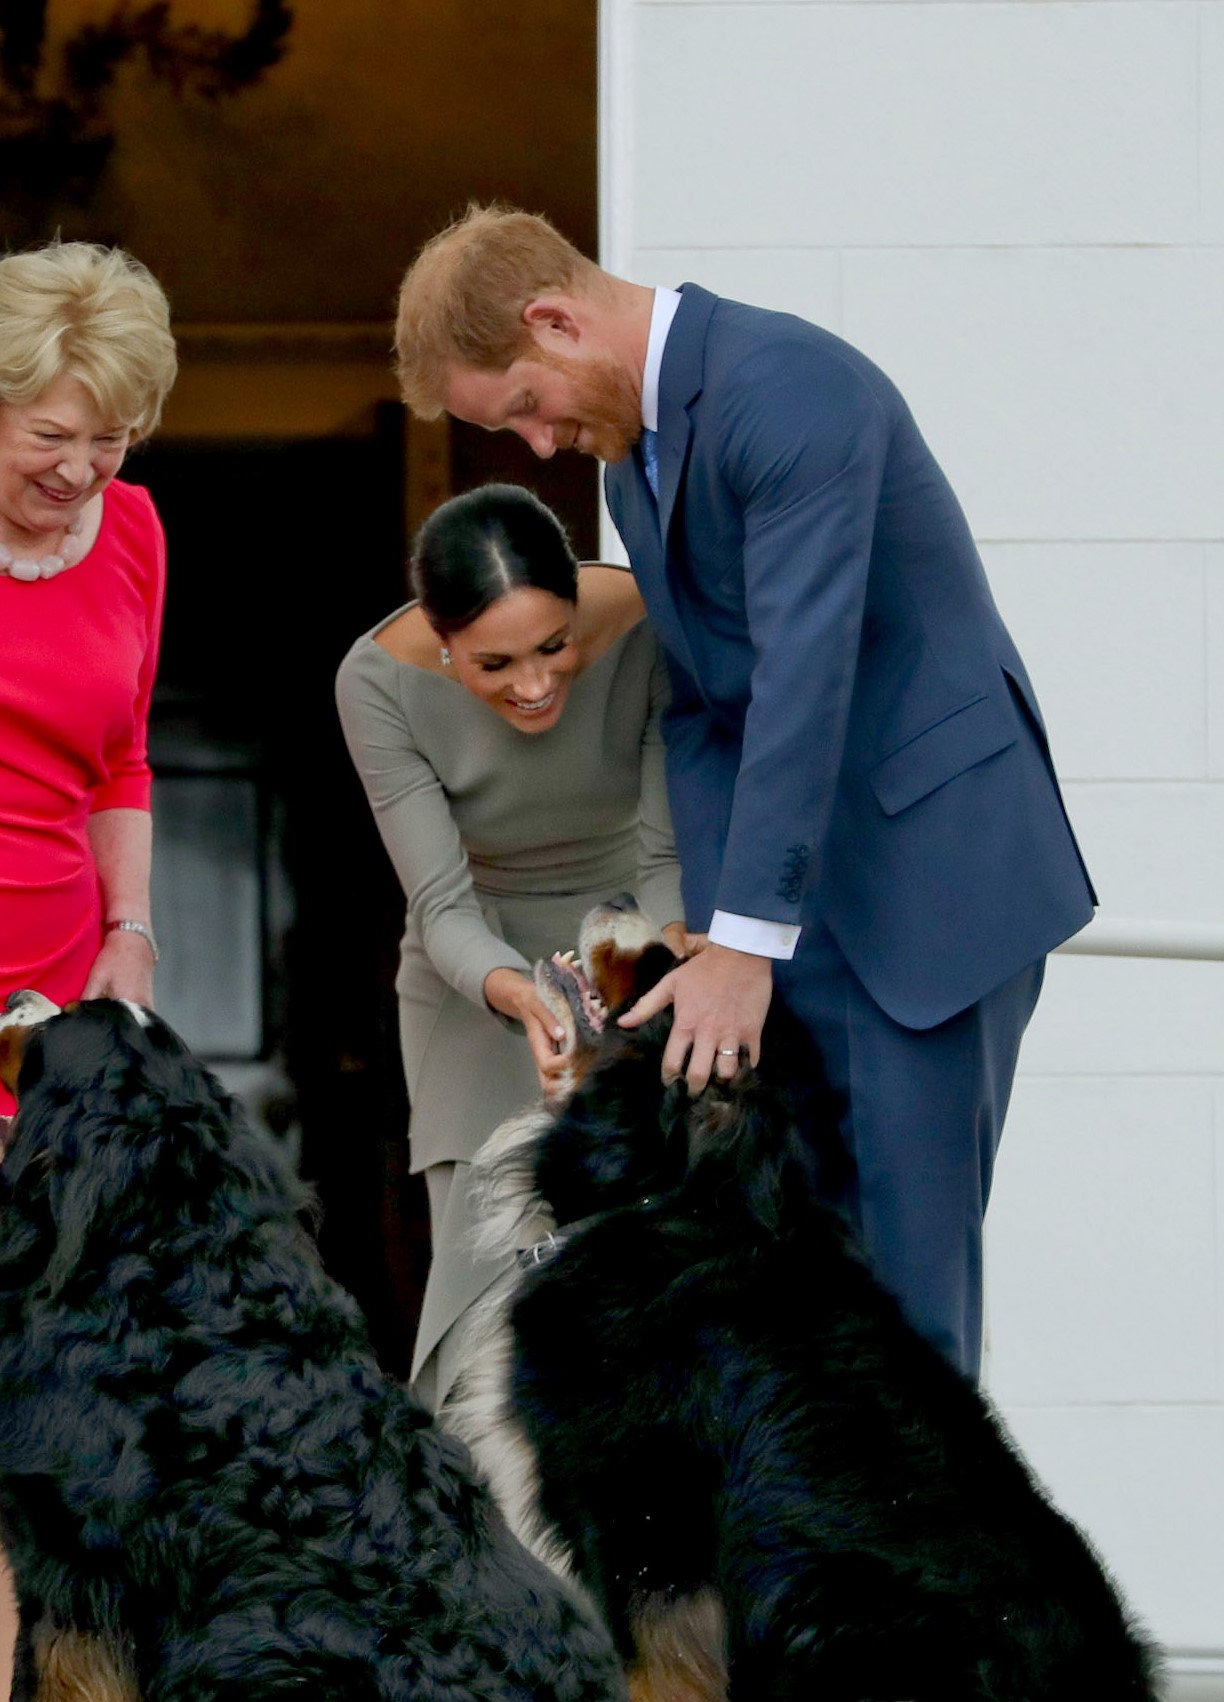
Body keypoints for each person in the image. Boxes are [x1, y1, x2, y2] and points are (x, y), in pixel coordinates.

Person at [393, 208, 1095, 1380]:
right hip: (788, 911)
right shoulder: (634, 468)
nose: (543, 444)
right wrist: (709, 939)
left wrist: (747, 941)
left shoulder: (790, 389)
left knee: (909, 1318)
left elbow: (802, 677)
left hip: (931, 890)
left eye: (522, 404)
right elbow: (710, 712)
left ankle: (916, 1567)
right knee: (795, 1304)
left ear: (556, 319)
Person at [0, 241, 177, 1702]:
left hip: (46, 1014)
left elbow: (118, 754)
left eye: (111, 440)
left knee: (28, 1364)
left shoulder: (138, 534)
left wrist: (134, 928)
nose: (82, 470)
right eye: (52, 439)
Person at [335, 482, 685, 1411]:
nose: (534, 685)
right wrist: (519, 997)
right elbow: (440, 905)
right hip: (474, 972)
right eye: (494, 663)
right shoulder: (374, 682)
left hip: (632, 939)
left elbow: (664, 854)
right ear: (441, 644)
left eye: (554, 646)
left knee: (643, 1250)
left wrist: (657, 978)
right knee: (490, 1273)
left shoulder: (649, 620)